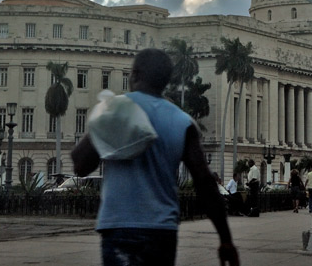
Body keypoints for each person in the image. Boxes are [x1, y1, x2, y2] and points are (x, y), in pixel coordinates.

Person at [72, 48, 239, 266]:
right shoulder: (182, 121)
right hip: (162, 230)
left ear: (135, 74)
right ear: (165, 82)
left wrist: (103, 130)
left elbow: (81, 165)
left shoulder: (114, 110)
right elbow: (205, 182)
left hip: (119, 228)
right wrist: (225, 239)